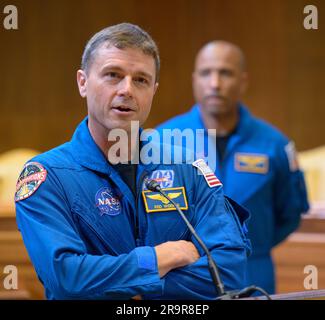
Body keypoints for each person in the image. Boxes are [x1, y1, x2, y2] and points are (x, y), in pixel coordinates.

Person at [15, 24, 251, 300]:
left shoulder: (189, 167)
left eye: (141, 80)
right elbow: (67, 277)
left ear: (153, 90)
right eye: (113, 75)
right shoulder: (47, 176)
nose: (127, 90)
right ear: (83, 82)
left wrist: (135, 290)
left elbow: (229, 272)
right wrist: (157, 259)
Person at [157, 41, 309, 294]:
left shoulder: (275, 145)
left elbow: (291, 213)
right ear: (195, 79)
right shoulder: (162, 141)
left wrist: (248, 246)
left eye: (225, 73)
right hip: (183, 280)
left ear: (243, 80)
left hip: (253, 276)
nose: (215, 84)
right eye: (206, 73)